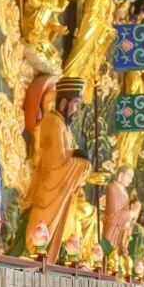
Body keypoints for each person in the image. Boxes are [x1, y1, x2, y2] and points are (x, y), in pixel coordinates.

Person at [17, 76, 91, 262]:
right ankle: (34, 252)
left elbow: (67, 155)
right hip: (50, 186)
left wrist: (79, 158)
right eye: (75, 103)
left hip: (60, 187)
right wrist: (80, 162)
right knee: (40, 231)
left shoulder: (64, 126)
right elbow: (54, 161)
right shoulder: (52, 122)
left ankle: (55, 256)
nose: (76, 109)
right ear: (64, 102)